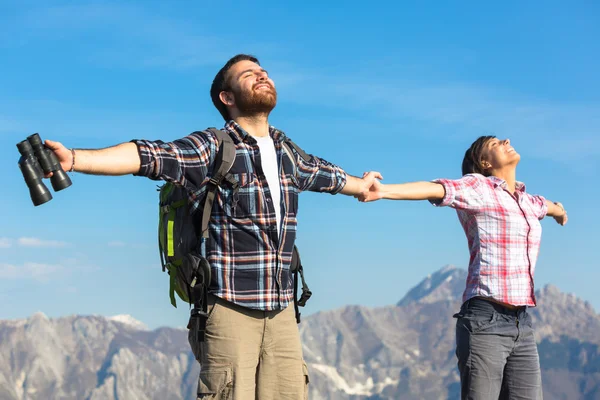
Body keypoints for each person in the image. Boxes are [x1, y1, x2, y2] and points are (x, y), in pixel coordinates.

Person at [43, 54, 381, 400]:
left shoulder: (287, 153)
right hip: (230, 310)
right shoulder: (214, 146)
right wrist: (76, 158)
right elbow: (151, 155)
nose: (262, 76)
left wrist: (364, 185)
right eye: (249, 75)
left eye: (264, 73)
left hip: (282, 313)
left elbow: (329, 177)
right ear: (227, 98)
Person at [358, 135, 567, 400]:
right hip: (485, 321)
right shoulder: (479, 188)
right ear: (485, 163)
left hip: (522, 325)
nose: (506, 140)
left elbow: (545, 206)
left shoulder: (527, 201)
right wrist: (385, 191)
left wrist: (559, 212)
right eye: (495, 144)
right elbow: (435, 189)